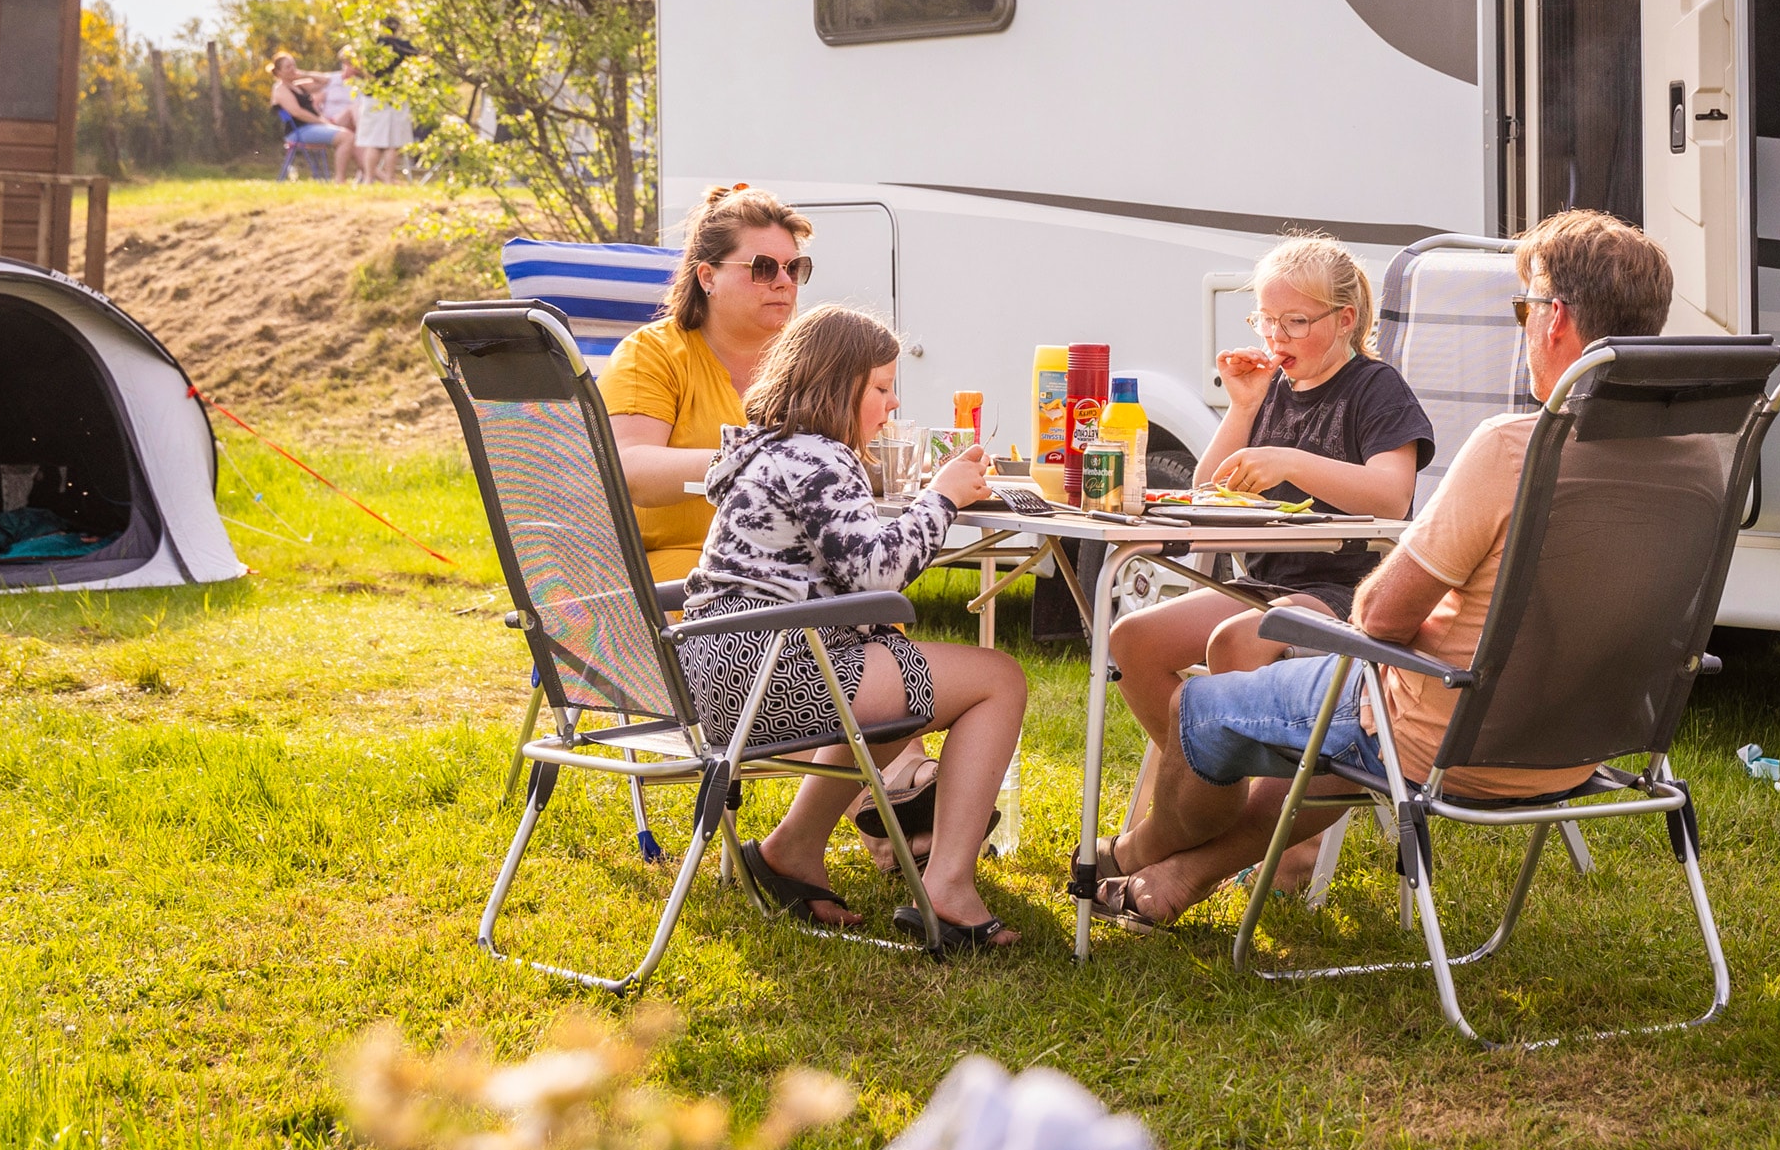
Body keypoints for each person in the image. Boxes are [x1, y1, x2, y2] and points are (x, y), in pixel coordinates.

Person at [1094, 208, 1673, 927]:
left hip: (1436, 728)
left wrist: (1403, 632)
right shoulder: (1695, 456)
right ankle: (1188, 868)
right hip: (1583, 738)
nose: (1523, 327)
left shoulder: (1507, 448)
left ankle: (1132, 852)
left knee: (1198, 708)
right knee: (1179, 653)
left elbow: (1379, 618)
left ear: (1554, 323)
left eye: (1526, 309)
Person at [1088, 234, 1432, 893]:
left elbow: (1391, 493)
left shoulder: (1376, 390)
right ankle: (1208, 811)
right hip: (1267, 580)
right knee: (1133, 639)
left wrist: (1291, 462)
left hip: (1346, 590)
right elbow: (1208, 491)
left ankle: (1275, 840)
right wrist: (1245, 406)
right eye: (1266, 321)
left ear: (1344, 320)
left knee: (1238, 640)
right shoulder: (1273, 391)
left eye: (1295, 322)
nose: (1277, 335)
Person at [682, 305, 1025, 950]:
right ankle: (949, 888)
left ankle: (792, 852)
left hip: (719, 669)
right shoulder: (820, 458)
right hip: (773, 674)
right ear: (838, 384)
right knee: (998, 680)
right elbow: (877, 572)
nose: (892, 404)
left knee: (885, 662)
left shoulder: (772, 450)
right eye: (881, 387)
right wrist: (943, 497)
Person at [601, 185, 814, 587]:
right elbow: (631, 468)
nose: (784, 282)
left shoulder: (810, 360)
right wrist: (758, 458)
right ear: (707, 277)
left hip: (793, 566)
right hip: (684, 572)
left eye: (794, 267)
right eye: (764, 267)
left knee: (873, 627)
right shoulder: (653, 353)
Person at [360, 16, 418, 182]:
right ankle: (389, 178)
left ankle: (368, 179)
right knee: (393, 143)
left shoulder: (372, 46)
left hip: (374, 96)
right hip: (397, 96)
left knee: (374, 142)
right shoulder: (405, 47)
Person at [268, 54, 342, 179]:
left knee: (350, 132)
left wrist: (303, 74)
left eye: (293, 65)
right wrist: (322, 122)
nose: (292, 69)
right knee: (345, 137)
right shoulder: (280, 89)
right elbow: (297, 112)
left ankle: (368, 175)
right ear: (279, 72)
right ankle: (341, 179)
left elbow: (325, 81)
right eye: (288, 67)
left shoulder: (299, 86)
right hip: (299, 132)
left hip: (313, 127)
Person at [319, 48, 363, 181]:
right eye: (350, 63)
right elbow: (315, 103)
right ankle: (379, 177)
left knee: (358, 141)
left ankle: (361, 178)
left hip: (353, 126)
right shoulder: (332, 79)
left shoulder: (361, 84)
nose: (353, 67)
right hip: (332, 122)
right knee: (352, 108)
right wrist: (319, 120)